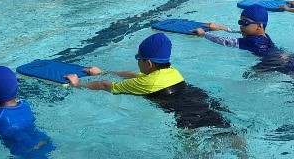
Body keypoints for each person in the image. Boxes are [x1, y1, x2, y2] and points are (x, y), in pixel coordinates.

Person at [65, 33, 232, 131]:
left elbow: (105, 85)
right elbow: (135, 75)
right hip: (200, 99)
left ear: (149, 64)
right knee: (226, 128)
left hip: (186, 115)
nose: (137, 63)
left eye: (139, 59)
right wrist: (102, 72)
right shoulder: (171, 71)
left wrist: (77, 84)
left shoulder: (147, 83)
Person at [192, 4, 294, 76]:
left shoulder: (251, 42)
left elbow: (226, 41)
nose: (241, 26)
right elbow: (242, 32)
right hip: (285, 56)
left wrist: (204, 34)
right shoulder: (263, 36)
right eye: (240, 22)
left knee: (247, 75)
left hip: (272, 62)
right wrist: (220, 27)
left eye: (245, 23)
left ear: (259, 26)